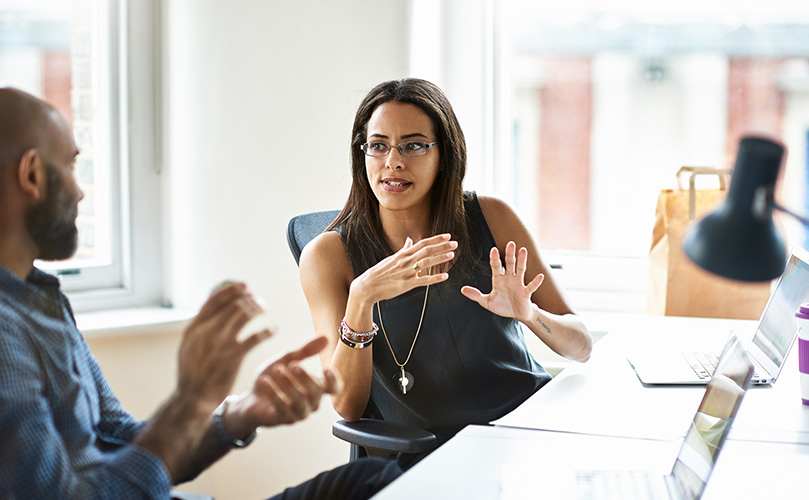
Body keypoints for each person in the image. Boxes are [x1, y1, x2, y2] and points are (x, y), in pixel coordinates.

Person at [0, 87, 401, 499]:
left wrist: (242, 412)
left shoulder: (41, 299)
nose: (80, 192)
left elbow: (125, 443)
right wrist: (191, 398)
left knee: (372, 480)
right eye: (70, 166)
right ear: (31, 174)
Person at [298, 77, 593, 468]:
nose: (393, 162)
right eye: (378, 145)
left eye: (414, 145)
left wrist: (530, 316)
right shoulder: (327, 256)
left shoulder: (493, 216)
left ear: (445, 154)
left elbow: (582, 347)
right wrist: (362, 297)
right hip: (430, 457)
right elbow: (347, 406)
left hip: (527, 434)